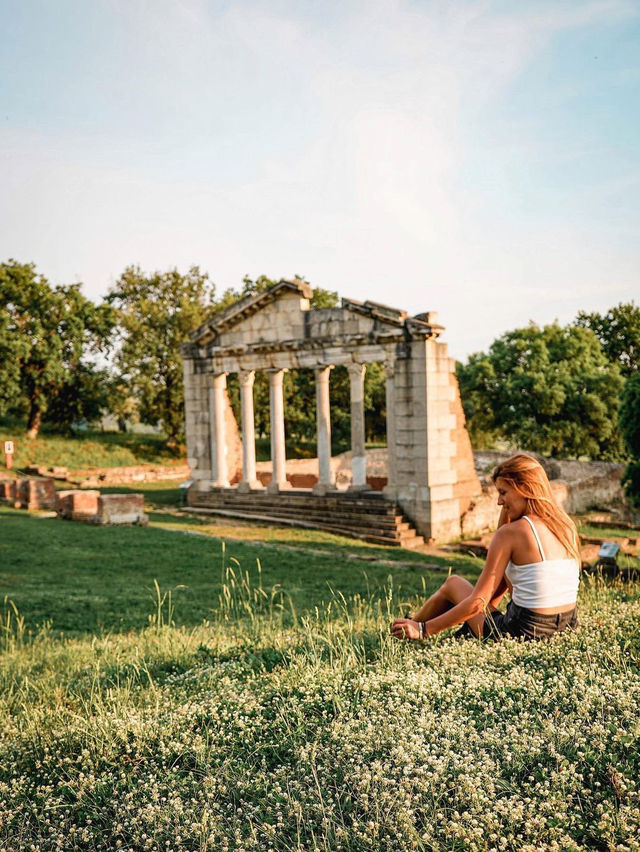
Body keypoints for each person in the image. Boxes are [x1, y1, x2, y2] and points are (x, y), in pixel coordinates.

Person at [391, 453, 580, 641]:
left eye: (503, 493)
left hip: (524, 633)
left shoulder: (511, 533)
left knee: (453, 584)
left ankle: (411, 629)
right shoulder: (566, 527)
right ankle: (414, 626)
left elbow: (477, 602)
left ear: (524, 488)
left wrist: (425, 629)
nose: (499, 502)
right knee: (496, 583)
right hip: (567, 627)